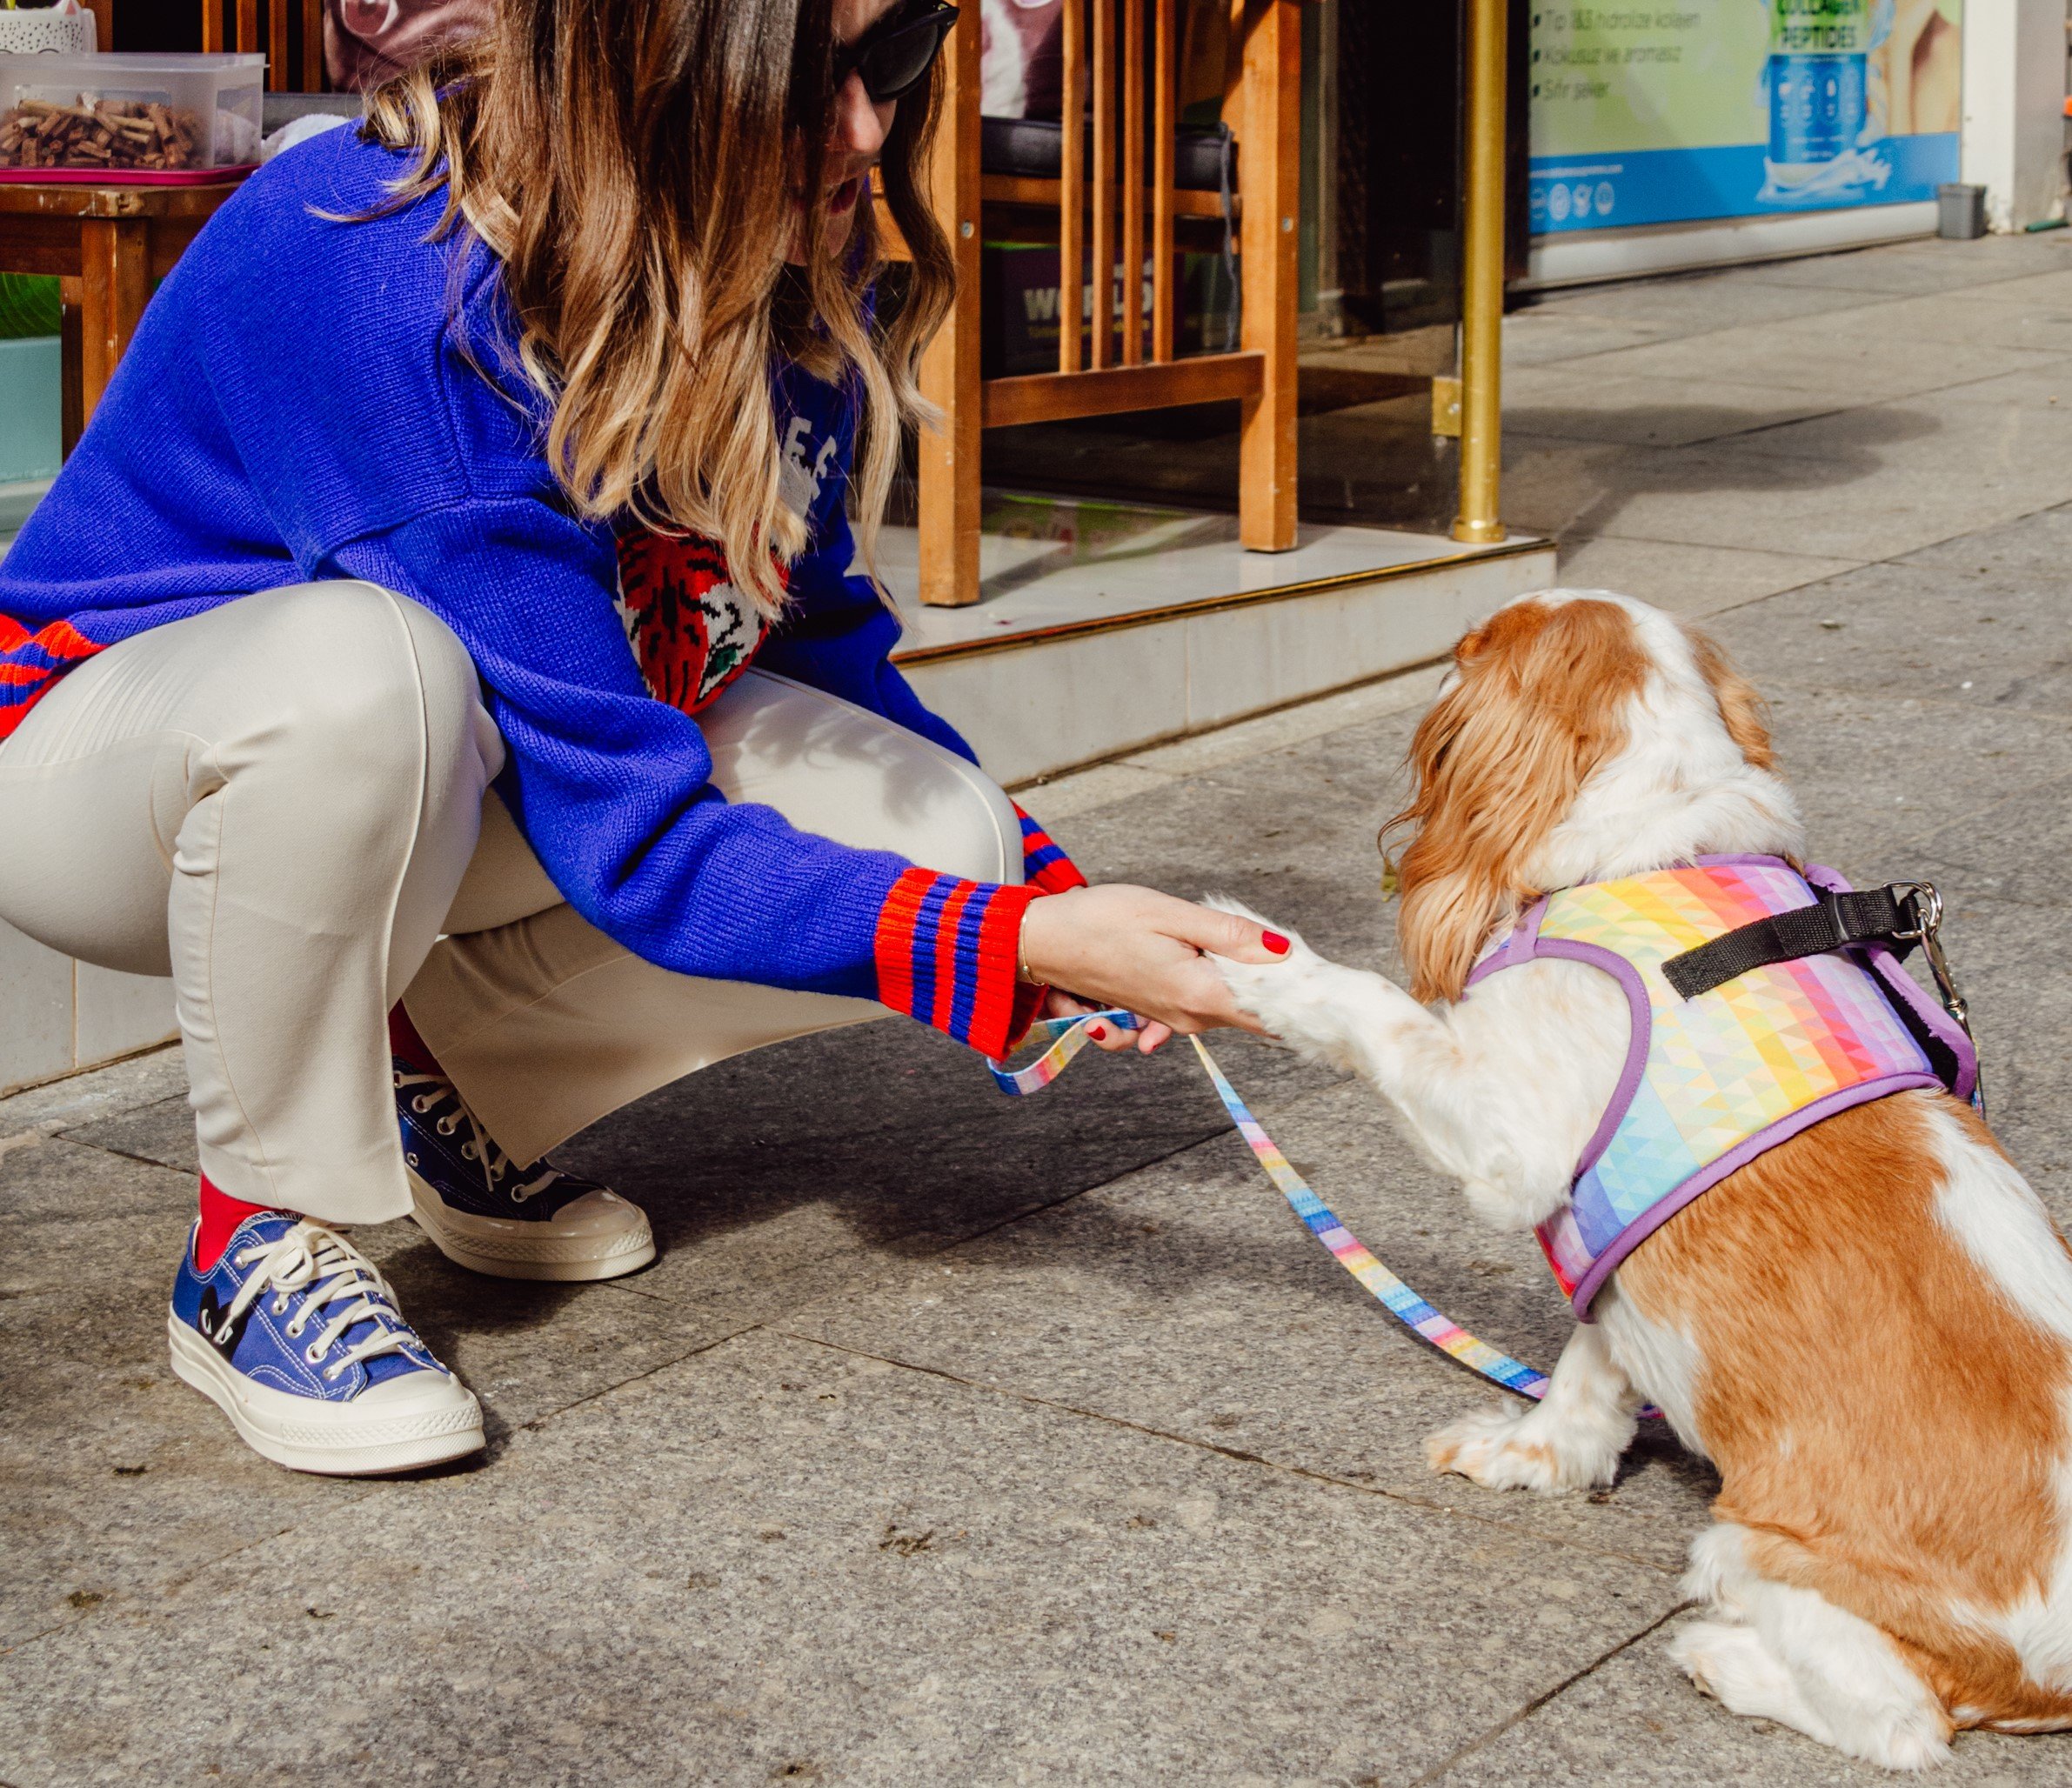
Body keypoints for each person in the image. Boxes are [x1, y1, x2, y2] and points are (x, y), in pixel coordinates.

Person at [0, 0, 1283, 1478]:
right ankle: (256, 1239)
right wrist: (1015, 952)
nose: (866, 127)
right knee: (373, 669)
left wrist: (1048, 906)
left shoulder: (776, 244)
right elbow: (636, 836)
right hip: (108, 765)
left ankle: (437, 1082)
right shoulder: (376, 253)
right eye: (805, 79)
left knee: (946, 839)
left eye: (895, 59)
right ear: (642, 71)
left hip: (450, 765)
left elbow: (809, 635)